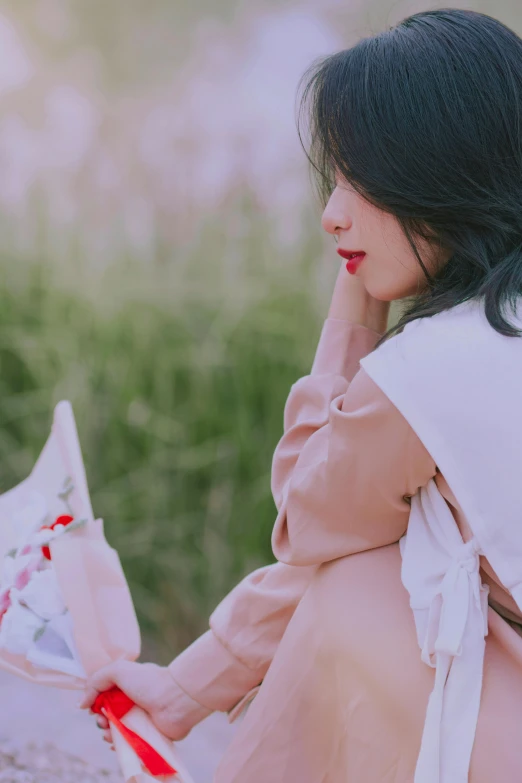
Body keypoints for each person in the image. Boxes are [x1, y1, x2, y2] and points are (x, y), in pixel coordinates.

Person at [80, 7, 522, 781]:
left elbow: (310, 516)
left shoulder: (434, 371)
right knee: (406, 551)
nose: (331, 215)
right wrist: (188, 687)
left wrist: (354, 306)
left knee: (358, 588)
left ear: (442, 174)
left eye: (358, 178)